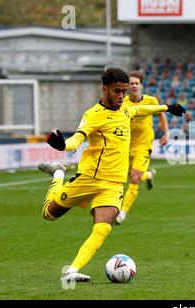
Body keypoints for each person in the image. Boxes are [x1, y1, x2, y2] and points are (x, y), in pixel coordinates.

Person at [38, 67, 185, 282]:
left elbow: (141, 110)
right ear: (104, 89)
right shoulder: (93, 114)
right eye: (117, 91)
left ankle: (71, 271)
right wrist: (63, 145)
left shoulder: (125, 109)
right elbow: (78, 138)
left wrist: (167, 107)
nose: (121, 96)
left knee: (103, 228)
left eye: (124, 91)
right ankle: (59, 173)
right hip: (89, 178)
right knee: (49, 214)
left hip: (114, 184)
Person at [116, 70, 170, 225]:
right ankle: (149, 176)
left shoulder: (151, 101)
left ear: (141, 85)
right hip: (125, 146)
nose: (133, 86)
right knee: (131, 176)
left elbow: (161, 114)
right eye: (131, 83)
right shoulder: (122, 102)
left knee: (133, 178)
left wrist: (166, 133)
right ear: (127, 86)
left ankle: (123, 212)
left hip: (143, 146)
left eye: (136, 83)